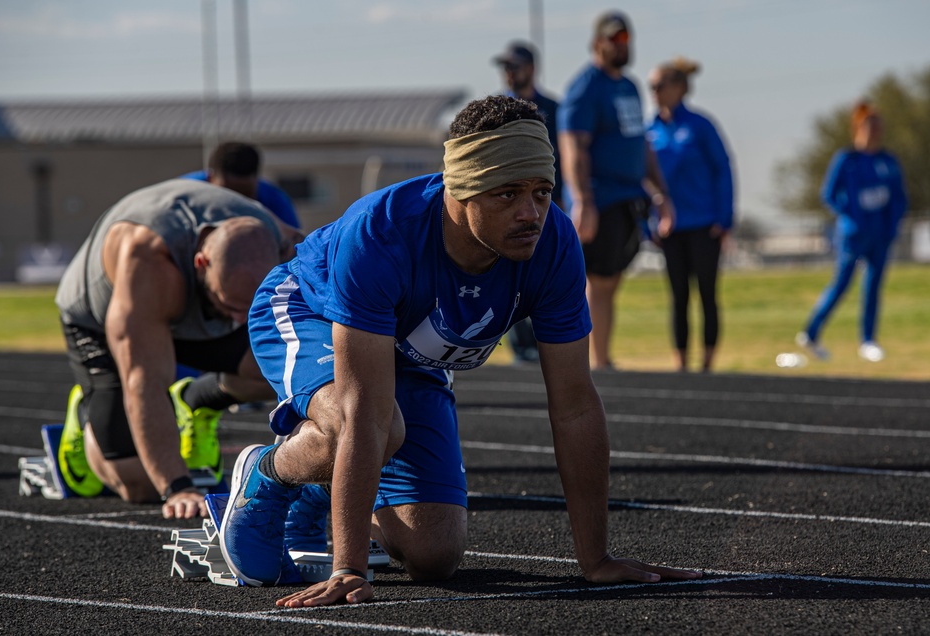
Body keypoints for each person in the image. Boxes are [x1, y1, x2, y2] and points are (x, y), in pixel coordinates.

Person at [219, 95, 701, 604]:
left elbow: (576, 405)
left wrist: (596, 559)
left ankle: (321, 490)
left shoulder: (554, 244)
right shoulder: (379, 233)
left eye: (541, 192)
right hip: (311, 312)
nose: (530, 213)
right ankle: (267, 474)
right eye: (507, 194)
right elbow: (366, 411)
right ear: (461, 188)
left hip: (411, 349)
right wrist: (349, 567)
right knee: (366, 426)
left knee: (434, 555)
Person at [54, 178, 304, 519]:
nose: (239, 320)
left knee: (290, 370)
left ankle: (195, 400)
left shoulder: (278, 237)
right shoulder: (149, 264)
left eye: (246, 308)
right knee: (139, 483)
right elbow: (143, 383)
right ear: (201, 263)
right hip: (101, 321)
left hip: (192, 308)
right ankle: (88, 417)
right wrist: (177, 486)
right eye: (230, 305)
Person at [558, 11, 674, 371]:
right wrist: (584, 201)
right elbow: (573, 147)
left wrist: (661, 194)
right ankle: (592, 361)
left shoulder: (629, 86)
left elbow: (643, 146)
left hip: (629, 199)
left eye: (626, 39)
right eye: (614, 40)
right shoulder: (586, 88)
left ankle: (603, 357)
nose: (622, 46)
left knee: (611, 281)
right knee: (597, 279)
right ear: (597, 44)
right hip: (600, 198)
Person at [796, 101, 908, 362]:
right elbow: (829, 194)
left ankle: (868, 340)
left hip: (880, 234)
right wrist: (852, 215)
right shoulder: (847, 159)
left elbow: (899, 198)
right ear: (858, 128)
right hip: (853, 234)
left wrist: (891, 225)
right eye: (868, 126)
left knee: (873, 286)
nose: (873, 132)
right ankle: (811, 331)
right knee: (842, 283)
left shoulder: (887, 161)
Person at [645, 58, 735, 373]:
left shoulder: (701, 125)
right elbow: (643, 180)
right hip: (670, 229)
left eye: (660, 85)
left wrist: (724, 219)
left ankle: (707, 364)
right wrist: (648, 224)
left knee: (707, 294)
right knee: (678, 296)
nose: (654, 92)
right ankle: (681, 364)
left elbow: (723, 170)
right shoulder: (650, 130)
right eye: (651, 87)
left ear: (679, 87)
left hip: (703, 225)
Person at [492, 40, 563, 363]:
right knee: (509, 276)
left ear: (532, 68)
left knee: (548, 275)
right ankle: (521, 351)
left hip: (549, 208)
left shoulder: (554, 108)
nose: (509, 73)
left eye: (514, 66)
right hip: (506, 211)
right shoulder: (496, 110)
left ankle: (550, 346)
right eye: (505, 67)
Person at [182, 141, 301, 229]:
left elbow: (293, 245)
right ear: (210, 178)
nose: (237, 203)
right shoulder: (183, 195)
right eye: (228, 195)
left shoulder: (274, 201)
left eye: (245, 195)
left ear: (256, 180)